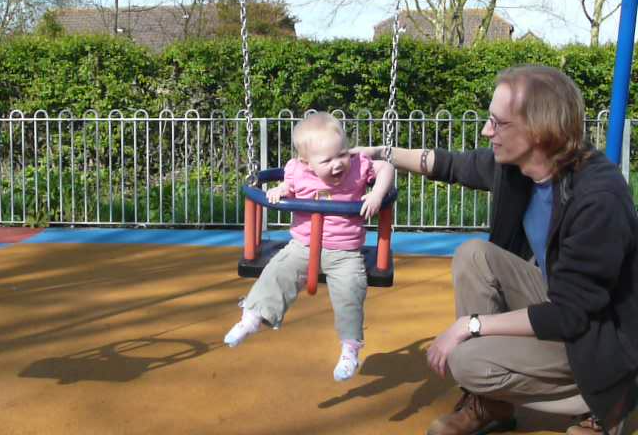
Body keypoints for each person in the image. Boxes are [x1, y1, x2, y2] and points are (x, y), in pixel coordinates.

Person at [354, 65, 638, 435]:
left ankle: (604, 401)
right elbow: (447, 164)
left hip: (603, 336)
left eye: (498, 123)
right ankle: (492, 404)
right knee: (474, 255)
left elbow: (571, 315)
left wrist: (470, 326)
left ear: (538, 132)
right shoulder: (519, 167)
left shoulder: (598, 198)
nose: (487, 131)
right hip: (562, 303)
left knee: (466, 360)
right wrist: (379, 152)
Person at [224, 111, 394, 382]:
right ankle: (252, 318)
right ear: (307, 162)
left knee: (351, 294)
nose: (338, 164)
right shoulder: (297, 170)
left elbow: (386, 168)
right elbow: (287, 185)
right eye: (327, 160)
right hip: (302, 247)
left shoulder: (358, 166)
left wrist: (376, 193)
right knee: (276, 272)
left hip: (345, 253)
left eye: (342, 154)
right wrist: (279, 191)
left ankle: (350, 349)